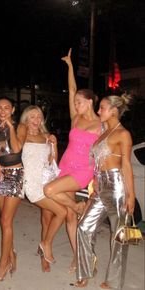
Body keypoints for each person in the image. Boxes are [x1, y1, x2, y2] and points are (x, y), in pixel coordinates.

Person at [44, 48, 101, 273]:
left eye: (79, 101)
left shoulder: (100, 126)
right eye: (75, 101)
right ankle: (80, 258)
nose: (75, 103)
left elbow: (102, 156)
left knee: (49, 190)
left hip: (83, 171)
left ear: (90, 102)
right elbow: (72, 90)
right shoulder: (75, 118)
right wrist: (69, 65)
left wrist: (96, 183)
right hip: (65, 166)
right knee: (69, 217)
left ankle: (78, 207)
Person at [74, 93, 135, 289]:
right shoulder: (104, 132)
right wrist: (94, 184)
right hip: (100, 185)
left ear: (114, 111)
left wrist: (131, 195)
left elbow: (126, 165)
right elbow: (98, 164)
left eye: (102, 108)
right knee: (83, 227)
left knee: (118, 237)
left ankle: (114, 282)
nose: (99, 111)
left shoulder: (123, 134)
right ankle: (86, 270)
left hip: (117, 186)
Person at [20, 105, 67, 272]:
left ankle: (45, 253)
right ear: (26, 119)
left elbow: (52, 162)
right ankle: (45, 244)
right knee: (62, 212)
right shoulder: (21, 134)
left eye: (38, 116)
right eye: (32, 117)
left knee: (47, 219)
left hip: (46, 182)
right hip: (31, 184)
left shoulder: (46, 136)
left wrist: (54, 145)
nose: (36, 120)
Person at [0, 97, 25, 282]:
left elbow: (17, 148)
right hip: (0, 175)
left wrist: (10, 126)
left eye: (6, 108)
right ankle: (12, 254)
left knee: (5, 221)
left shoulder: (20, 126)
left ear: (12, 110)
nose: (2, 111)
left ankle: (3, 265)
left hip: (15, 174)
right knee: (3, 218)